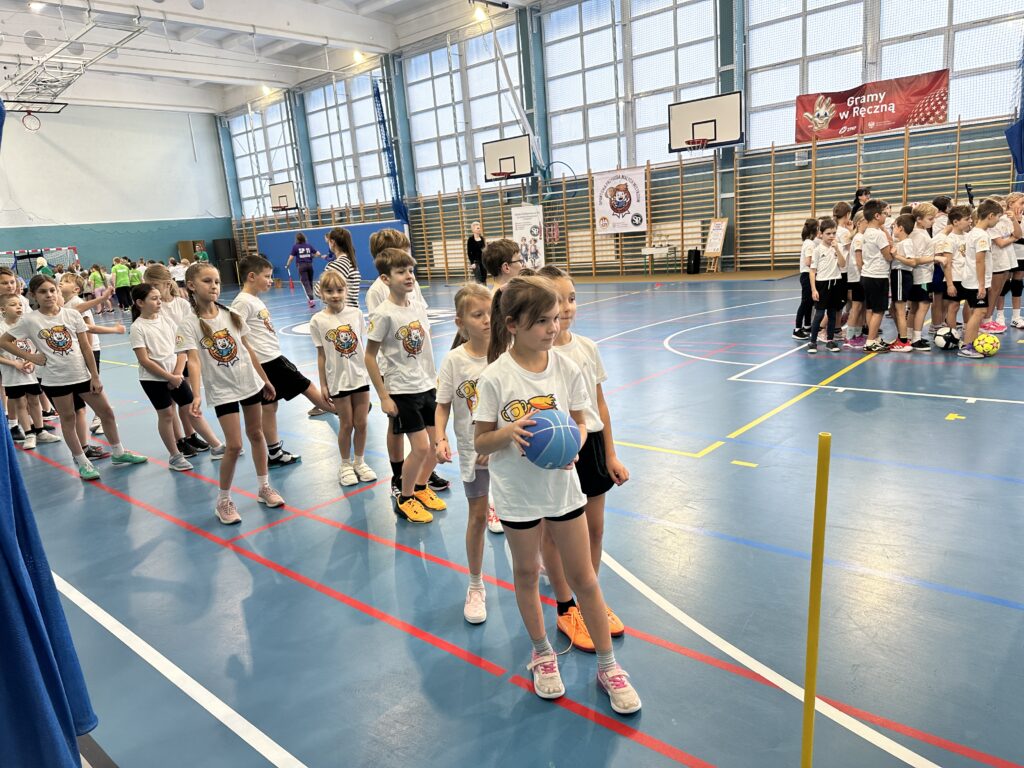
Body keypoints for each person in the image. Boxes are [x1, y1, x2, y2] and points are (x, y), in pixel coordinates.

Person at [473, 276, 641, 714]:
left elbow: (582, 422)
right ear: (513, 324)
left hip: (563, 490)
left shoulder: (567, 368)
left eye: (554, 318)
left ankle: (608, 665)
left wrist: (573, 445)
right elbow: (481, 441)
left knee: (584, 577)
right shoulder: (494, 378)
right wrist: (509, 433)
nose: (554, 327)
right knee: (527, 573)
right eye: (542, 321)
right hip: (517, 495)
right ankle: (543, 653)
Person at [533, 265, 629, 650]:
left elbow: (600, 405)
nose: (567, 307)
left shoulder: (587, 347)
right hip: (555, 450)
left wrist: (611, 454)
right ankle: (566, 605)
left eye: (571, 298)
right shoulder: (536, 353)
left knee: (595, 528)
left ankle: (591, 597)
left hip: (590, 445)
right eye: (558, 300)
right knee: (554, 534)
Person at [0, 275, 147, 481]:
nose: (49, 295)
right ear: (33, 295)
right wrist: (30, 356)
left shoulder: (72, 315)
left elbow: (86, 347)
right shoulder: (29, 320)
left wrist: (94, 375)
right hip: (55, 379)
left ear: (57, 292)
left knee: (106, 413)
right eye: (42, 292)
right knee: (68, 419)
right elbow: (4, 341)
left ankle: (118, 452)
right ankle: (82, 462)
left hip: (82, 375)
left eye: (52, 290)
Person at [177, 261, 283, 524]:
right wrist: (196, 394)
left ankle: (264, 487)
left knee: (256, 434)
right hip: (223, 390)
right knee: (234, 446)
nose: (214, 286)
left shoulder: (231, 314)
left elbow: (248, 349)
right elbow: (193, 361)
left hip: (249, 383)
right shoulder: (189, 323)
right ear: (191, 286)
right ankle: (223, 500)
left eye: (216, 281)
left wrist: (264, 379)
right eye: (207, 281)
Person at [364, 248, 446, 524]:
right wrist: (384, 396)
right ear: (385, 279)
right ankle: (405, 497)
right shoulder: (383, 314)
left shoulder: (418, 306)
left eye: (410, 270)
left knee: (435, 445)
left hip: (427, 385)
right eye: (401, 272)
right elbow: (369, 356)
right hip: (402, 390)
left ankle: (421, 488)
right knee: (420, 448)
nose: (409, 276)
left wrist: (434, 378)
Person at [231, 254, 333, 467]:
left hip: (269, 357)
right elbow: (237, 336)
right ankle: (344, 412)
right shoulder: (242, 302)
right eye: (267, 276)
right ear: (252, 276)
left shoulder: (254, 299)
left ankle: (274, 452)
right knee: (306, 386)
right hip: (268, 360)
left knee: (270, 407)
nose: (270, 280)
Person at [435, 283, 499, 624]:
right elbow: (442, 404)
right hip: (473, 454)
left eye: (490, 313)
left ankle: (538, 562)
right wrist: (440, 437)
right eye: (478, 315)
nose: (487, 320)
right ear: (461, 323)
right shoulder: (454, 361)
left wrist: (496, 441)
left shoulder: (507, 354)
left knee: (526, 514)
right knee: (477, 517)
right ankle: (475, 584)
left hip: (508, 451)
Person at [129, 284, 224, 471]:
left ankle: (217, 446)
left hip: (176, 375)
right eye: (154, 299)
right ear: (140, 303)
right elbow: (144, 360)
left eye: (159, 298)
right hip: (153, 380)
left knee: (192, 410)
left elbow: (182, 349)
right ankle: (175, 456)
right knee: (166, 415)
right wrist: (169, 377)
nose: (159, 302)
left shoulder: (167, 321)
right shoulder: (137, 328)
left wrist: (178, 373)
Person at [309, 270, 376, 486]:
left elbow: (362, 346)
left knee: (362, 423)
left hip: (360, 378)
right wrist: (323, 384)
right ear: (322, 293)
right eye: (329, 291)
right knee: (346, 424)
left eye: (339, 290)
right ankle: (345, 465)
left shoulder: (356, 314)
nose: (335, 295)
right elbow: (321, 355)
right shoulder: (318, 320)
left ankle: (360, 461)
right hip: (337, 380)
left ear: (346, 291)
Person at [144, 263, 212, 458]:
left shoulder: (181, 304)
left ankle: (191, 435)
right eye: (149, 285)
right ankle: (179, 440)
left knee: (185, 400)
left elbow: (190, 329)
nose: (152, 289)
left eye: (155, 285)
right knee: (171, 404)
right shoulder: (153, 306)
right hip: (165, 360)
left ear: (167, 284)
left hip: (184, 356)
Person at [0, 294, 62, 450]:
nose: (18, 307)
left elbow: (37, 345)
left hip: (30, 373)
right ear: (3, 309)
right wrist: (14, 363)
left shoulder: (26, 324)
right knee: (20, 403)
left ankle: (40, 431)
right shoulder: (1, 328)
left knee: (34, 401)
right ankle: (29, 434)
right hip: (12, 376)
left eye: (20, 304)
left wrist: (32, 360)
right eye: (13, 304)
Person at [958, 201, 1002, 358]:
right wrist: (982, 285)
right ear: (990, 215)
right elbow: (979, 261)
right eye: (998, 217)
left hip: (971, 279)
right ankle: (967, 347)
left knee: (975, 311)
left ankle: (970, 341)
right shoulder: (982, 236)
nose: (998, 221)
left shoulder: (974, 232)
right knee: (980, 311)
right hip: (976, 282)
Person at [807, 218, 846, 354]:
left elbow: (842, 264)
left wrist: (837, 250)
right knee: (819, 314)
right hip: (822, 284)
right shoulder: (817, 250)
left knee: (832, 314)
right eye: (828, 233)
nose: (831, 236)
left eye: (834, 233)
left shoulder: (838, 246)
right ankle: (813, 342)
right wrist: (814, 289)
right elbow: (812, 271)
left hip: (836, 282)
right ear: (821, 234)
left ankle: (830, 340)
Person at [859, 200, 893, 353]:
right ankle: (870, 341)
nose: (886, 216)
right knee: (879, 311)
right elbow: (888, 256)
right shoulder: (879, 235)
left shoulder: (867, 232)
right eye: (885, 214)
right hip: (878, 276)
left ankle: (873, 338)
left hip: (867, 274)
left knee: (871, 309)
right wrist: (893, 250)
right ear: (877, 216)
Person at [986, 195, 1022, 332]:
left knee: (1000, 290)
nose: (1002, 207)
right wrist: (1013, 238)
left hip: (1009, 259)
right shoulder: (993, 224)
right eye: (999, 205)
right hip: (998, 260)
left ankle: (990, 320)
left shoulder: (1007, 220)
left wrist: (1014, 221)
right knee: (995, 290)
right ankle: (989, 319)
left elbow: (1018, 234)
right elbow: (1001, 243)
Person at [908, 204, 937, 350]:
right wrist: (935, 258)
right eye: (930, 219)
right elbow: (916, 259)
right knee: (923, 306)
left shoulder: (920, 231)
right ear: (919, 219)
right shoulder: (919, 235)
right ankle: (916, 338)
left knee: (914, 307)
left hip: (918, 275)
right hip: (922, 276)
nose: (933, 221)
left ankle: (910, 335)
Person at [888, 214, 917, 352]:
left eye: (894, 226)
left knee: (900, 309)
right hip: (897, 274)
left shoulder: (907, 243)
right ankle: (901, 336)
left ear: (900, 228)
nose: (893, 228)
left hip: (901, 273)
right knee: (892, 309)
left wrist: (896, 256)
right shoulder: (900, 242)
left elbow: (912, 262)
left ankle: (904, 341)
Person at [319, 227, 361, 309]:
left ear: (332, 242)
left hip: (341, 312)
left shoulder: (338, 264)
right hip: (351, 311)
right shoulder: (350, 261)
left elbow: (319, 290)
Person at [792, 219, 817, 339]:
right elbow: (808, 262)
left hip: (807, 275)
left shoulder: (809, 242)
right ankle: (797, 329)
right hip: (807, 275)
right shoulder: (810, 244)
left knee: (810, 302)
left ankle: (807, 325)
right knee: (805, 302)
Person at [284, 233, 321, 308]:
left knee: (305, 283)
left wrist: (287, 265)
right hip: (310, 265)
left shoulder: (295, 246)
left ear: (297, 239)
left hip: (301, 266)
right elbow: (318, 254)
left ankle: (311, 299)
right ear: (304, 238)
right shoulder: (309, 245)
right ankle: (312, 298)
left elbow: (291, 258)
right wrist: (311, 256)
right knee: (310, 282)